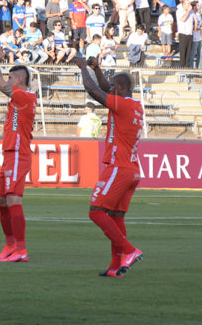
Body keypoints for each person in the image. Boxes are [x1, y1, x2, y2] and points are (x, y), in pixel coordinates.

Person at [74, 56, 144, 278]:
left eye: (114, 85)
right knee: (115, 216)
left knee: (96, 212)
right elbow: (105, 88)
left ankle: (130, 250)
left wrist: (84, 67)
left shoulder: (121, 104)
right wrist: (98, 70)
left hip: (119, 166)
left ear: (121, 88)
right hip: (132, 169)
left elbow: (94, 92)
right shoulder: (133, 104)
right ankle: (116, 266)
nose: (110, 88)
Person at [0, 44, 37, 262]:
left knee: (13, 201)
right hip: (10, 153)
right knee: (2, 201)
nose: (7, 81)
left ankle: (22, 249)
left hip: (19, 153)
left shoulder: (24, 96)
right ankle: (10, 245)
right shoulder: (19, 98)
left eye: (11, 78)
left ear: (18, 81)